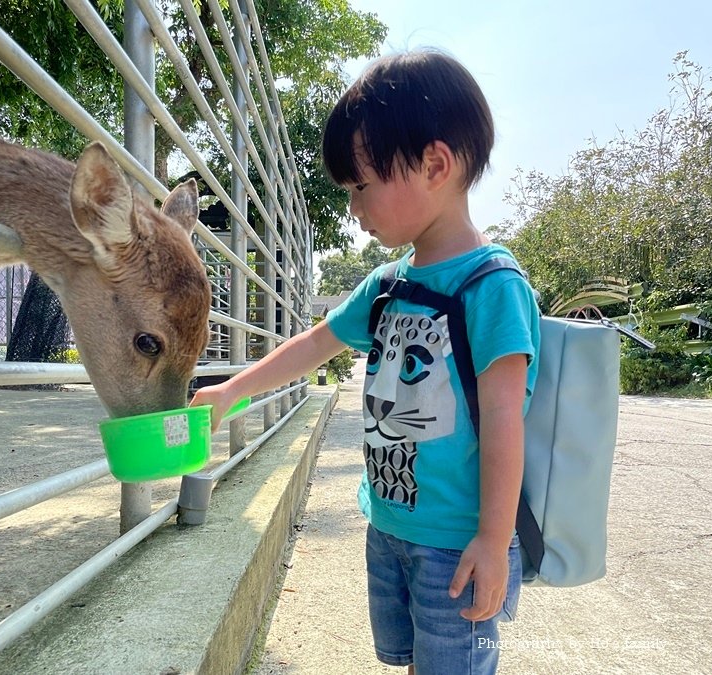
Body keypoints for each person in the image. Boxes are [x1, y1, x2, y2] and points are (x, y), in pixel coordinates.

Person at [190, 48, 540, 674]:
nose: (353, 207)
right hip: (389, 527)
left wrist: (493, 539)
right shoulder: (385, 284)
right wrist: (229, 392)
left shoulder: (493, 287)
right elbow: (315, 344)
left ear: (435, 164)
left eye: (361, 186)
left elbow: (506, 420)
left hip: (456, 542)